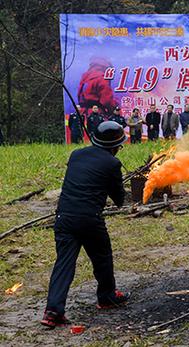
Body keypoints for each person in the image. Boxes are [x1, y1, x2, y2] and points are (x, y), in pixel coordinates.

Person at [41, 121, 130, 328]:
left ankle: (52, 311)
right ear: (115, 146)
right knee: (102, 257)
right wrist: (118, 185)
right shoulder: (112, 164)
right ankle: (107, 297)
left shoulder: (76, 155)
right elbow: (119, 199)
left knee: (64, 263)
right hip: (89, 219)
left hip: (63, 218)